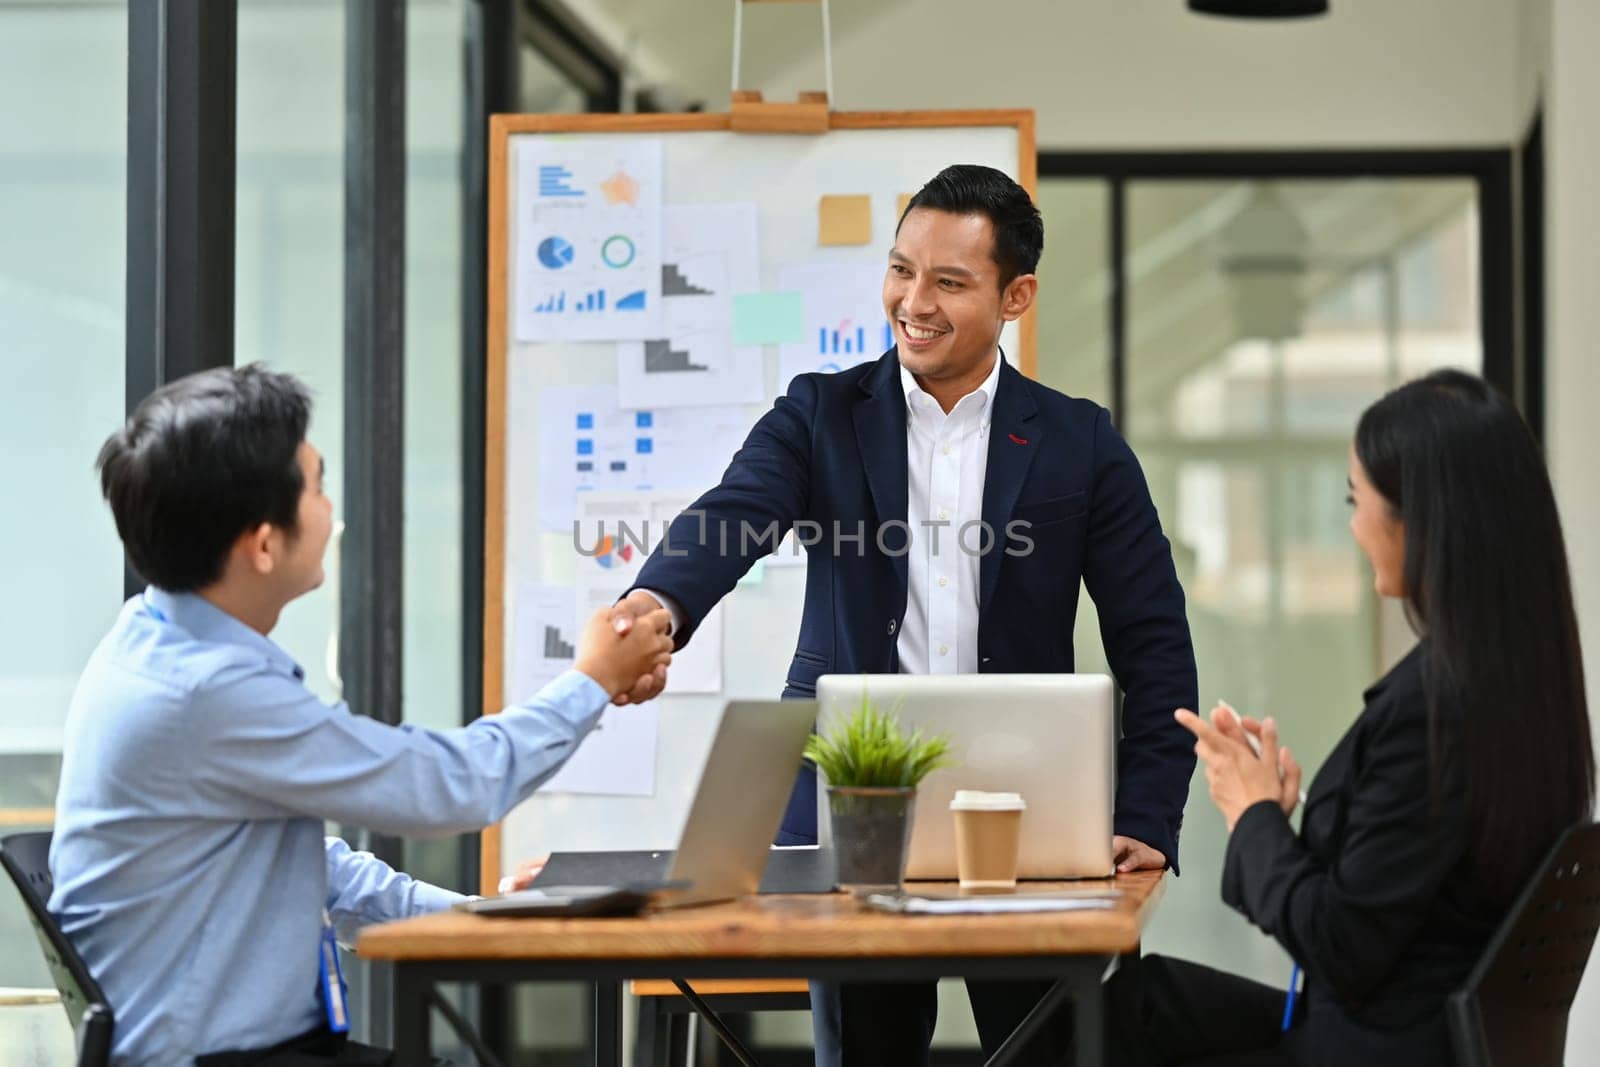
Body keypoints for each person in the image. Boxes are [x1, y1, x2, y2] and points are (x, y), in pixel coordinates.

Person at [610, 164, 1199, 1065]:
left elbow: (1154, 640)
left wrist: (1151, 812)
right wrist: (656, 607)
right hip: (854, 811)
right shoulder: (821, 413)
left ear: (1018, 296)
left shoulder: (1080, 442)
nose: (912, 301)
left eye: (949, 282)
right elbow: (733, 515)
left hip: (1026, 812)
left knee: (1049, 1049)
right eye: (900, 270)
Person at [48, 365, 674, 1067]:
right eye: (316, 485)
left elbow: (323, 872)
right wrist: (594, 678)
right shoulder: (204, 692)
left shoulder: (162, 639)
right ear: (261, 544)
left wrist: (484, 918)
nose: (329, 504)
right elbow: (454, 784)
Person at [1111, 370, 1595, 1066]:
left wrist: (1254, 817)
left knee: (1098, 1021)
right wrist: (1274, 813)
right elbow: (1400, 896)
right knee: (1138, 999)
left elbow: (1340, 946)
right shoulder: (1514, 688)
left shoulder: (1436, 709)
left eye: (1355, 499)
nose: (1352, 524)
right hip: (1398, 1034)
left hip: (1368, 1045)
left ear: (1422, 519)